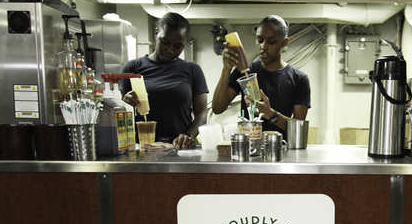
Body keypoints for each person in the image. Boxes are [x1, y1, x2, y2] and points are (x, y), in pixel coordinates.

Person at [121, 12, 208, 149]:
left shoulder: (192, 70)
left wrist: (189, 136)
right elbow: (121, 112)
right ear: (157, 33)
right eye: (165, 42)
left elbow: (202, 113)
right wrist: (127, 101)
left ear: (185, 42)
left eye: (177, 46)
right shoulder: (133, 68)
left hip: (179, 148)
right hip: (142, 148)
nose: (170, 49)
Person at [212, 15, 310, 133]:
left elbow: (299, 129)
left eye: (271, 41)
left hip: (281, 147)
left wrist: (270, 114)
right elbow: (217, 108)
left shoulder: (299, 79)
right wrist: (226, 70)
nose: (263, 46)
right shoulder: (245, 71)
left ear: (284, 43)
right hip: (250, 147)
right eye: (260, 40)